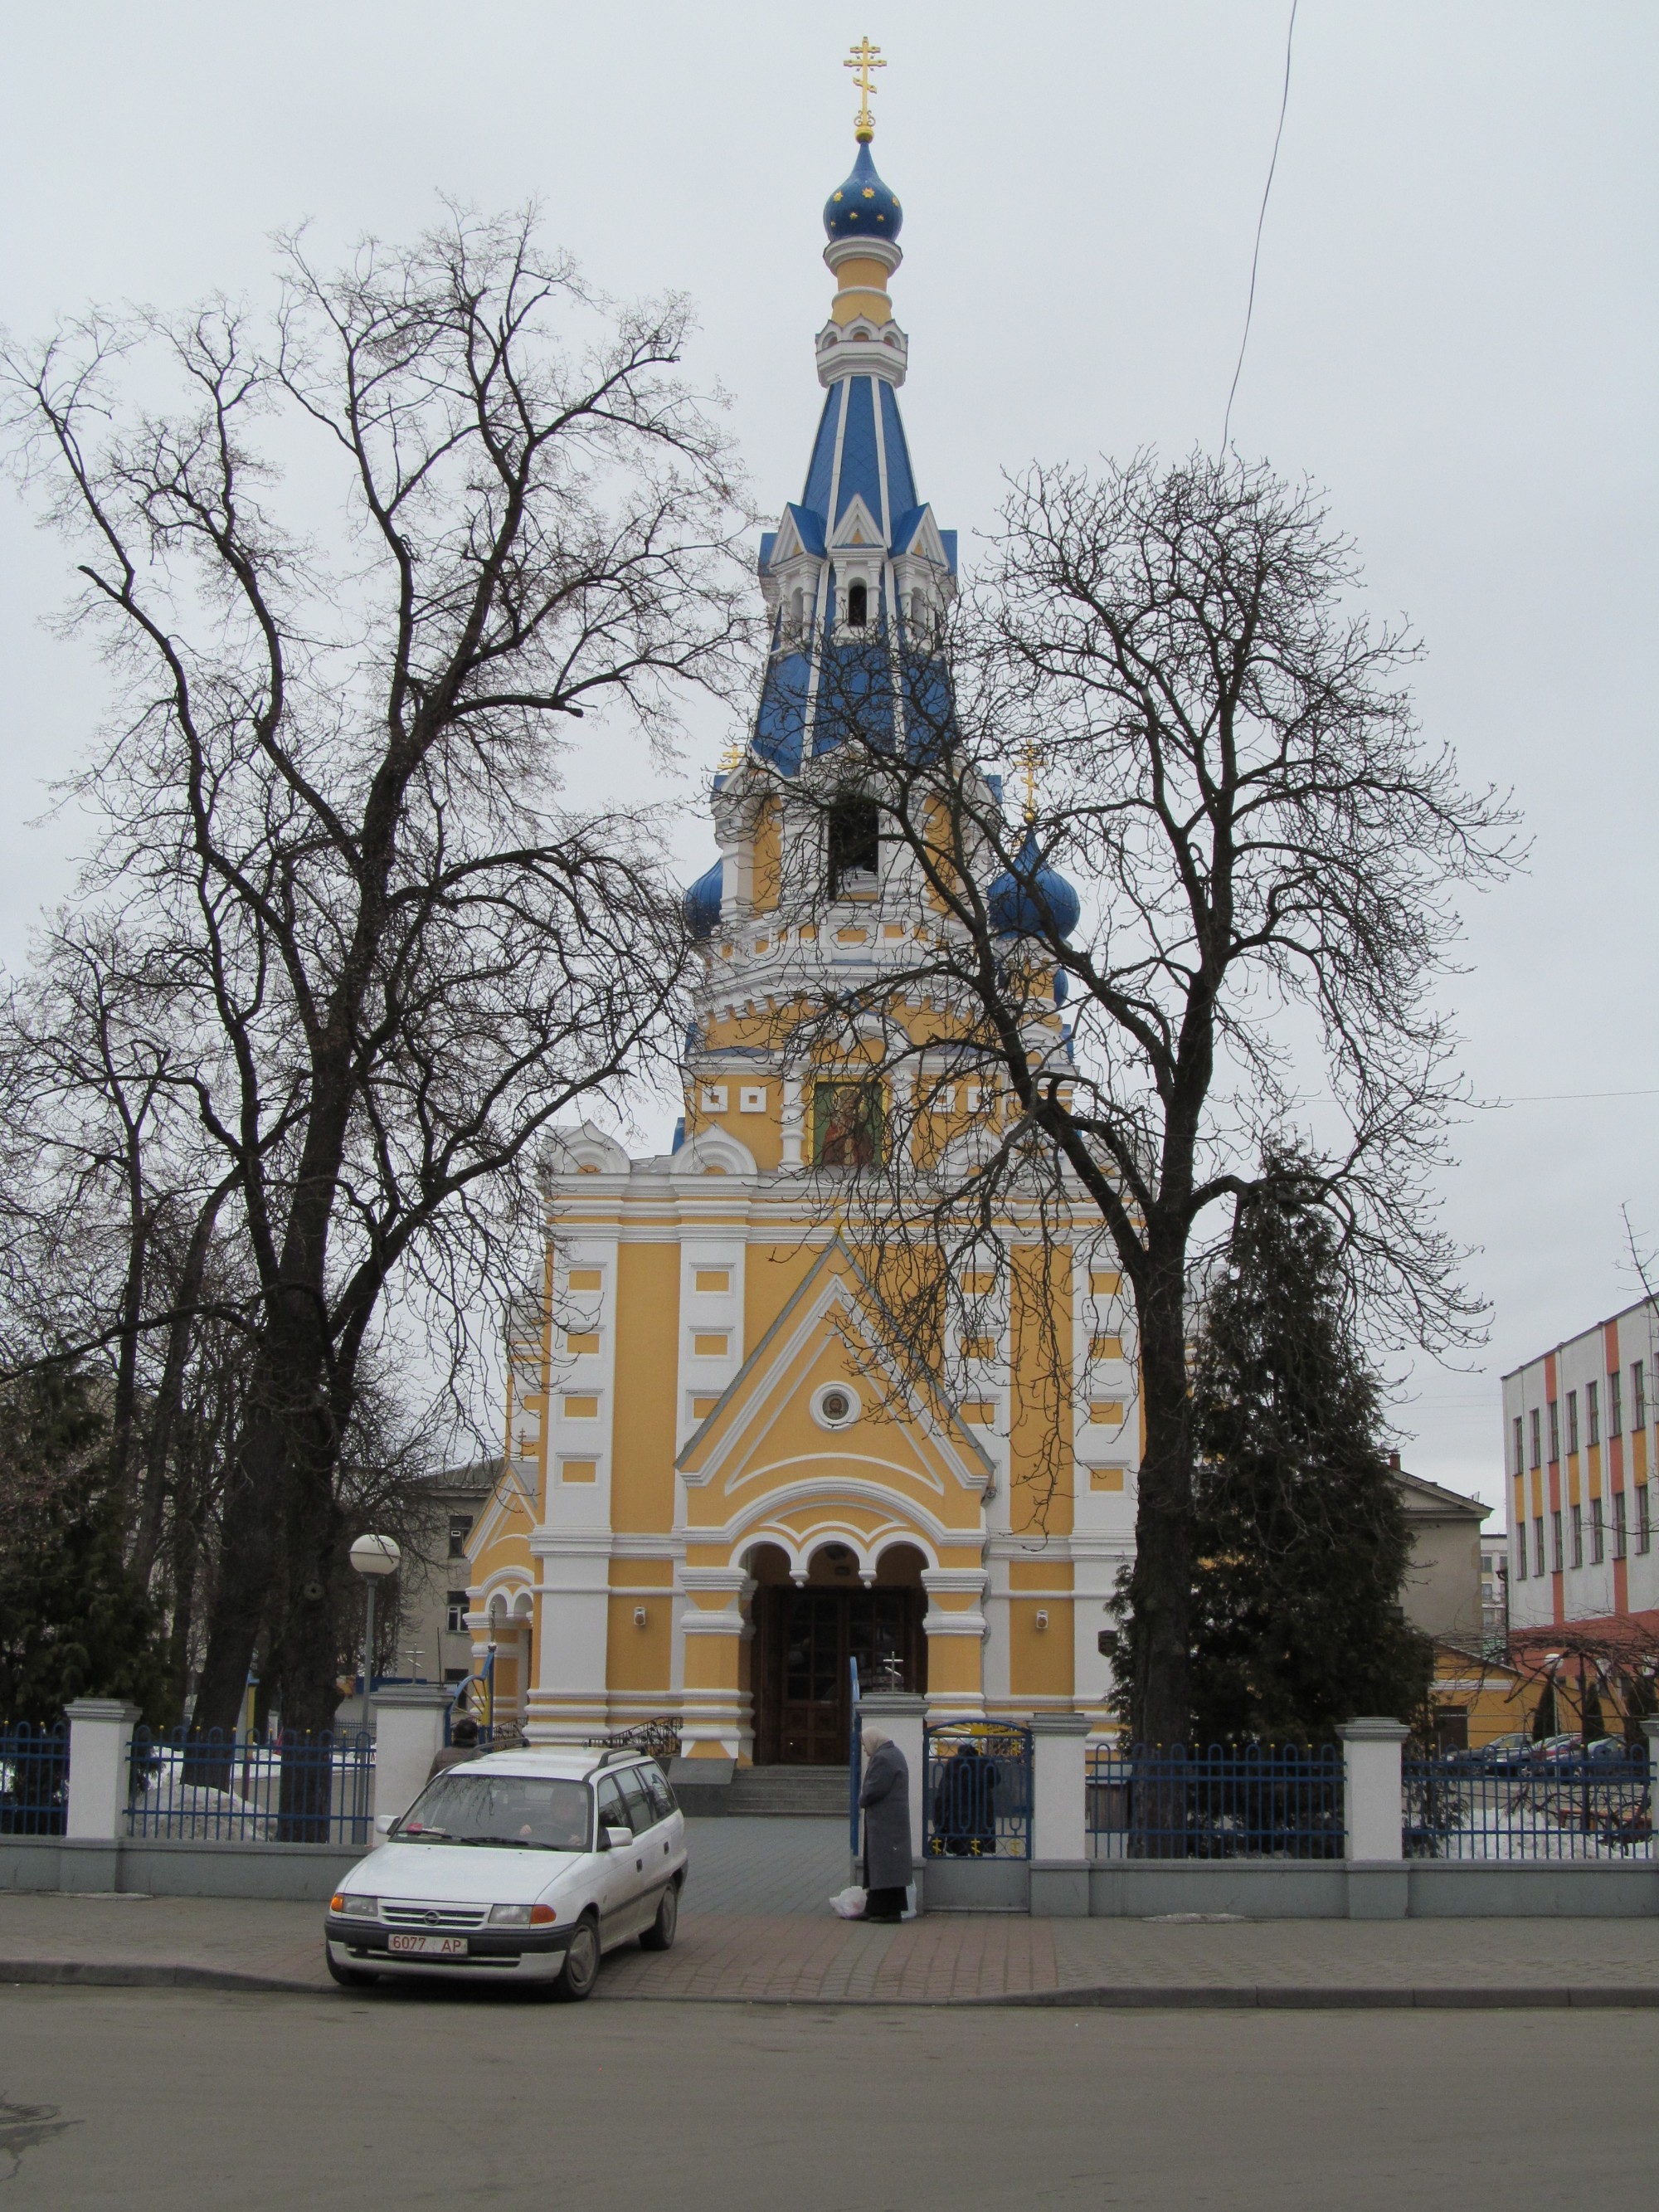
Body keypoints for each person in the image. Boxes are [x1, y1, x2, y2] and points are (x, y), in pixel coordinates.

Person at [857, 1722, 912, 1922]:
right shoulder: (894, 1753)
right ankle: (876, 1908)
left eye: (865, 1745)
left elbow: (874, 1789)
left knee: (884, 1867)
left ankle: (886, 1912)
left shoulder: (883, 1758)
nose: (865, 1750)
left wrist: (862, 1799)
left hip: (885, 1823)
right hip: (892, 1822)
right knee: (887, 1868)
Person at [425, 1711, 479, 1783]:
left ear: (455, 1735)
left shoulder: (442, 1755)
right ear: (475, 1736)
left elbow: (431, 1783)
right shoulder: (481, 1757)